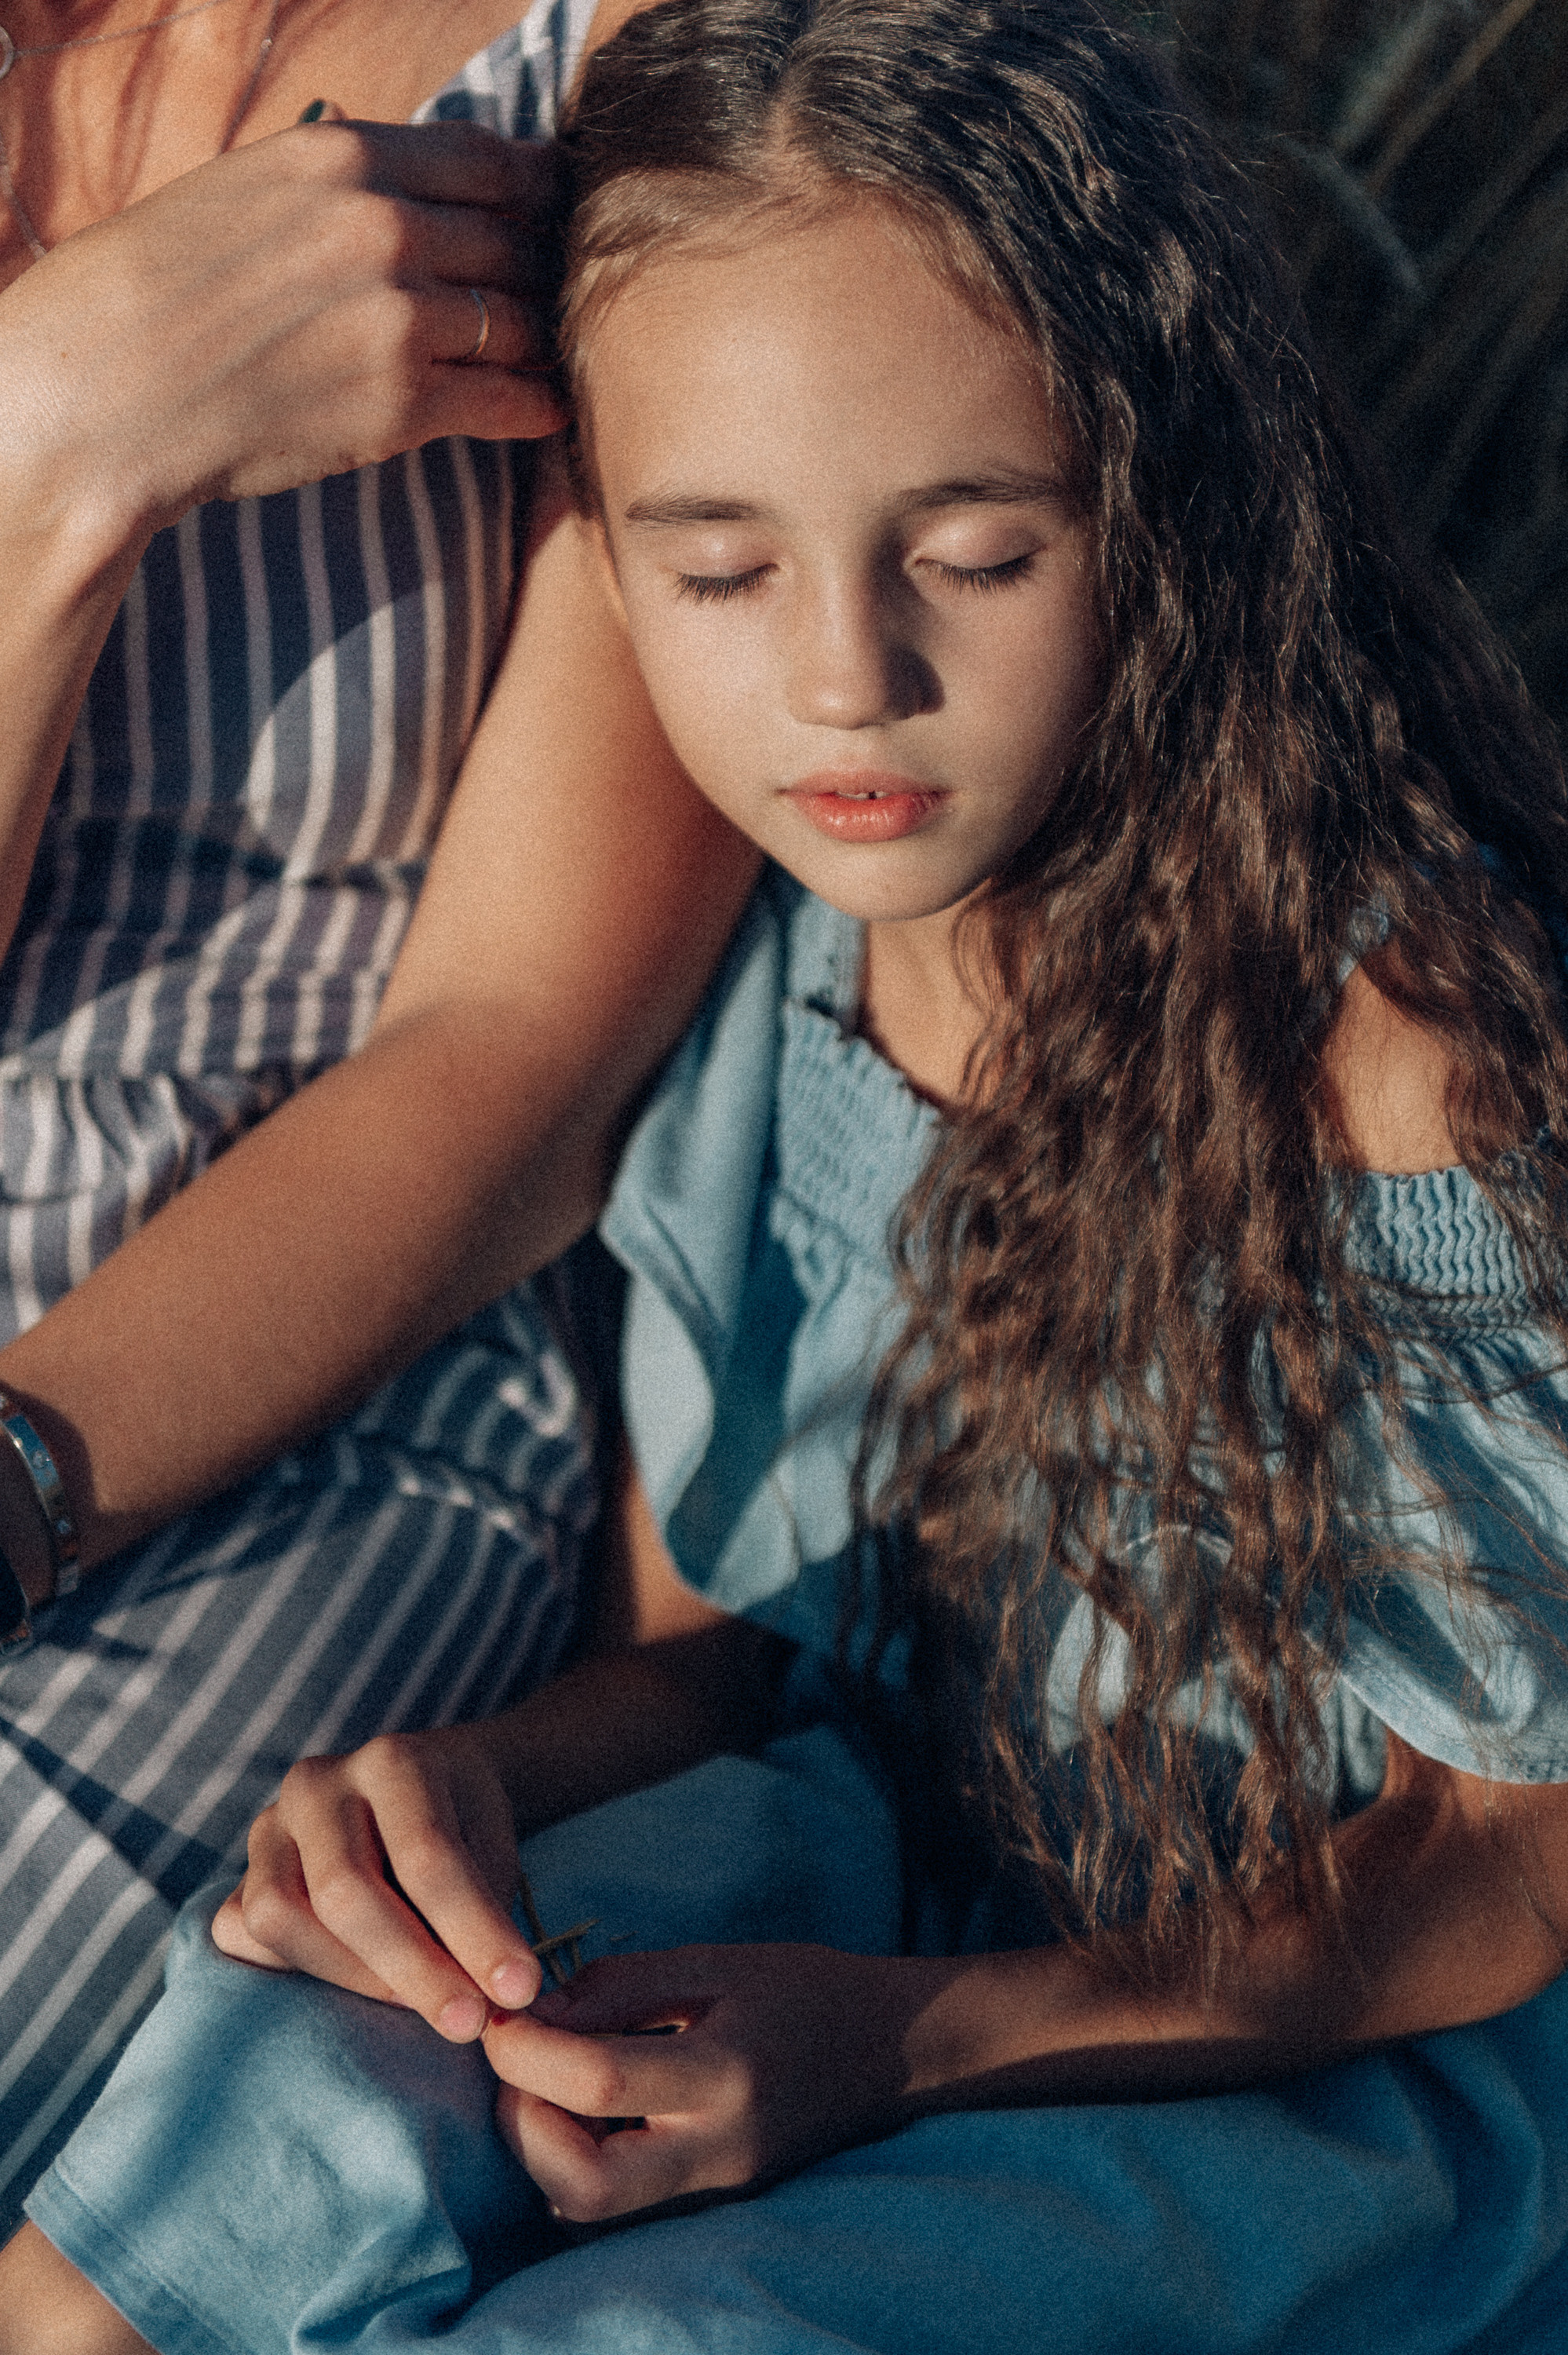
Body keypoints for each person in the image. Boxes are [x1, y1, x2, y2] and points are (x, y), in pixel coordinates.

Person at [12, 0, 1568, 2344]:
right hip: (854, 1856)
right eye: (720, 572)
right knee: (200, 2181)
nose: (845, 683)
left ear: (1165, 495)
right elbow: (733, 1658)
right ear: (612, 568)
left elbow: (1506, 1858)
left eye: (975, 547)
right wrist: (451, 1784)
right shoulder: (794, 949)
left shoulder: (1388, 1048)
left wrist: (896, 2045)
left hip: (1282, 2021)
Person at [0, 0, 756, 2229]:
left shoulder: (648, 54)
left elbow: (516, 1065)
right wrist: (52, 453)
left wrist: (16, 1479)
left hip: (288, 1414)